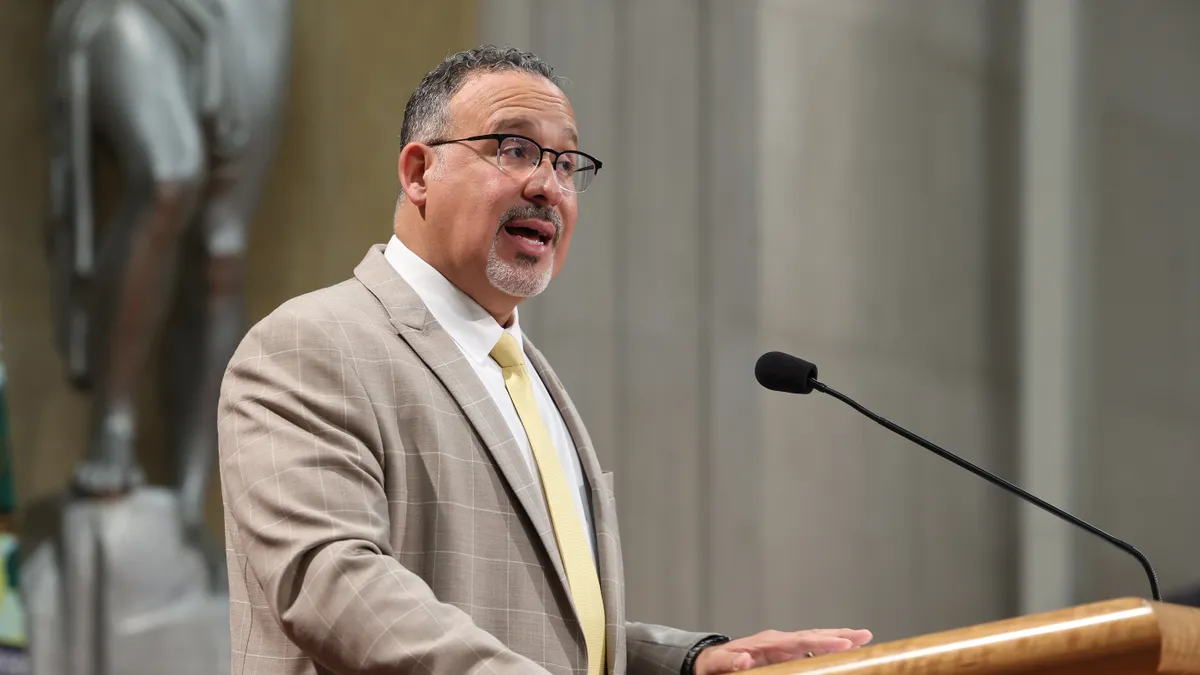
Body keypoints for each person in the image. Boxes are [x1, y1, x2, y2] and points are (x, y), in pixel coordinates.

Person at [216, 45, 872, 675]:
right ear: (419, 173)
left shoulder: (528, 376)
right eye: (514, 148)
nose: (546, 184)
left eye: (565, 163)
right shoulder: (310, 345)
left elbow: (535, 623)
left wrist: (685, 660)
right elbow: (335, 589)